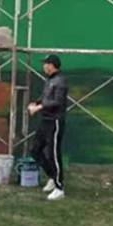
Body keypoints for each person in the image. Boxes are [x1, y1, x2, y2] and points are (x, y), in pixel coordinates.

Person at [27, 54, 68, 201]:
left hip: (55, 121)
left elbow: (57, 102)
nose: (44, 66)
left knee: (53, 154)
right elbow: (45, 97)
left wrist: (39, 107)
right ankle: (52, 176)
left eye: (46, 63)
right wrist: (35, 103)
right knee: (35, 150)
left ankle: (59, 188)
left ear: (52, 65)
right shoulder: (50, 79)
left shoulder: (61, 81)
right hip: (45, 120)